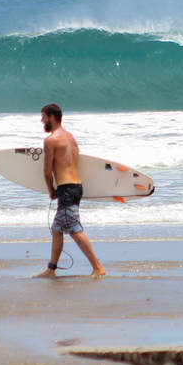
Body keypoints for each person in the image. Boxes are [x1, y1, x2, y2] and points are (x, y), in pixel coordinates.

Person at [33, 103, 106, 278]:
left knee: (74, 229)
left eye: (43, 117)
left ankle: (98, 267)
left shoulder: (50, 140)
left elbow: (47, 170)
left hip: (66, 189)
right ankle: (51, 269)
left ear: (52, 117)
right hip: (76, 187)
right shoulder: (70, 138)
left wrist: (51, 190)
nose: (42, 120)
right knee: (57, 228)